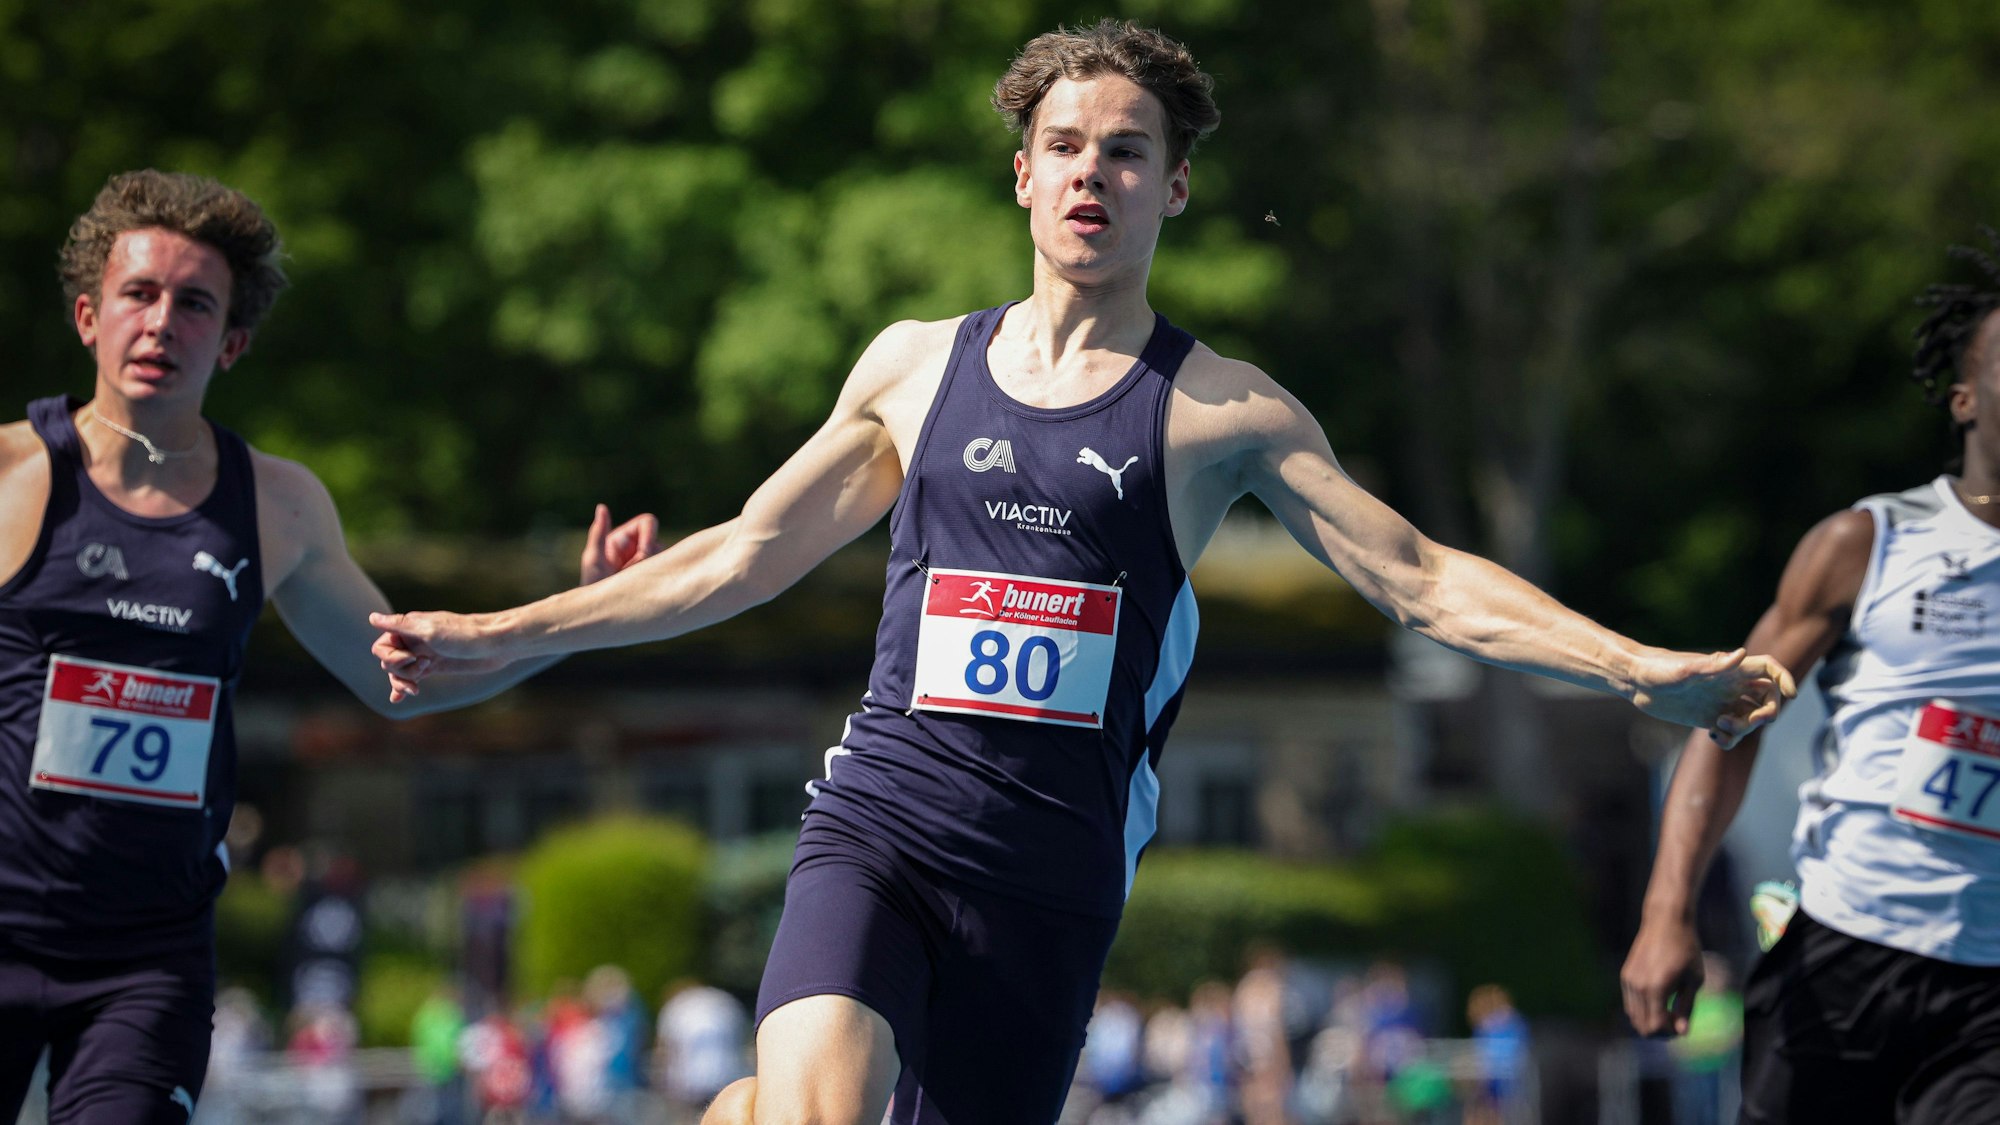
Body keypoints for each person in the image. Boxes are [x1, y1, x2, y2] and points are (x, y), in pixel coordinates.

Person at [371, 20, 1793, 1125]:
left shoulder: (1222, 413)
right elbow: (744, 555)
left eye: (1125, 151)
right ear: (1023, 173)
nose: (1091, 174)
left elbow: (1420, 579)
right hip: (881, 825)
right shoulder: (916, 367)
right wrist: (506, 630)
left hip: (1048, 886)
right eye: (1065, 145)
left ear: (1174, 184)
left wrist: (1639, 666)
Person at [0, 169, 658, 1123]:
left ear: (231, 342)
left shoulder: (278, 505)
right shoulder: (13, 474)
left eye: (194, 305)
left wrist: (585, 609)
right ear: (86, 316)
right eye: (138, 295)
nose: (160, 323)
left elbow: (409, 683)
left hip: (144, 960)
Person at [1620, 229, 2000, 1122]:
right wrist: (1666, 910)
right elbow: (1724, 725)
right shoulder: (1867, 545)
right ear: (1965, 398)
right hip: (1844, 954)